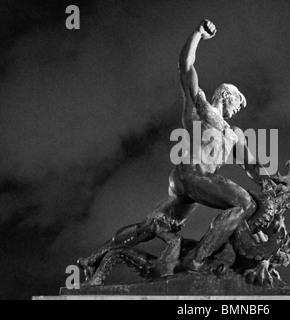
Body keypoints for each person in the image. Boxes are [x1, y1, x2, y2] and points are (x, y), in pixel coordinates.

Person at [78, 20, 275, 281]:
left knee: (149, 226)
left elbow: (252, 166)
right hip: (191, 174)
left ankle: (93, 258)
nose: (237, 110)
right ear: (226, 96)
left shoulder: (235, 134)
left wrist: (273, 183)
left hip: (188, 189)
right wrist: (197, 35)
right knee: (244, 203)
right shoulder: (199, 112)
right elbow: (186, 69)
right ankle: (197, 259)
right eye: (236, 104)